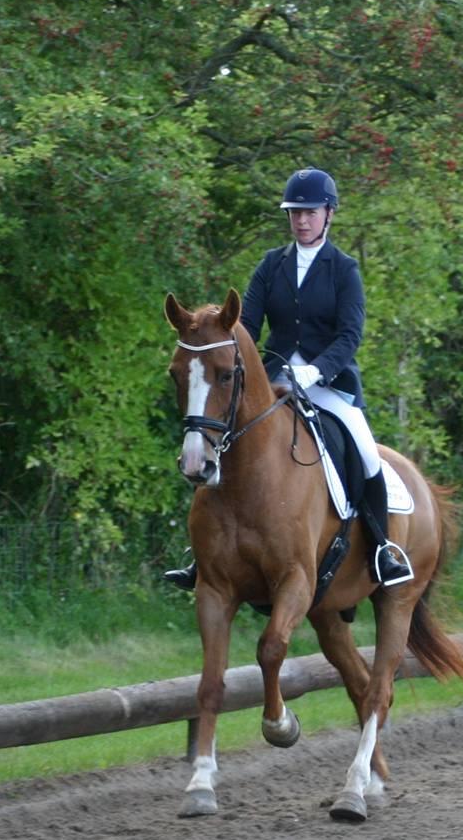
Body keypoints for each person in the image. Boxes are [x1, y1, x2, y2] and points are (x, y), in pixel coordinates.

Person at [165, 166, 413, 590]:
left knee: (366, 453)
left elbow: (350, 334)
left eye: (310, 212)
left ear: (328, 214)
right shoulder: (270, 265)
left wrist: (317, 368)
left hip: (329, 385)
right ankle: (202, 555)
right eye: (294, 212)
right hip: (277, 382)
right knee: (223, 438)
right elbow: (244, 325)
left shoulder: (344, 269)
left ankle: (382, 548)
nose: (301, 220)